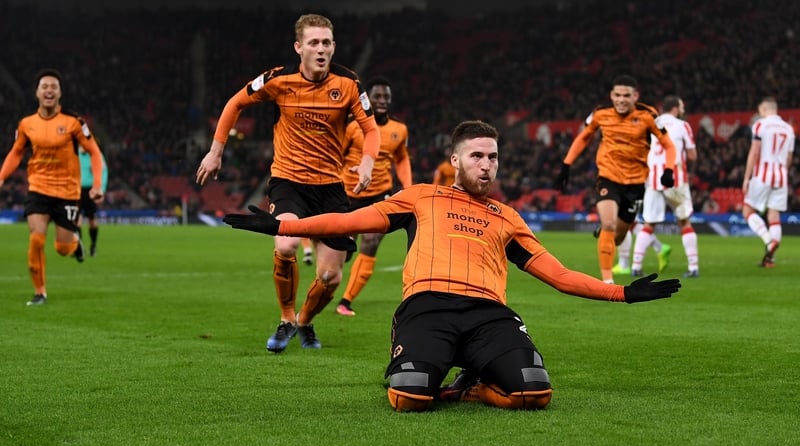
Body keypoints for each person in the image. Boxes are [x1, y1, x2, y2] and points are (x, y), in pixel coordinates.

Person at [222, 120, 681, 412]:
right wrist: (287, 225)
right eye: (477, 156)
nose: (487, 165)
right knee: (407, 397)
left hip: (488, 314)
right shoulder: (420, 197)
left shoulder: (508, 217)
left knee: (534, 392)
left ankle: (474, 386)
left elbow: (558, 275)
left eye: (493, 157)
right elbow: (348, 219)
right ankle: (440, 368)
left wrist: (622, 293)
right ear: (456, 160)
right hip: (428, 308)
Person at [195, 13, 379, 352]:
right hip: (288, 182)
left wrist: (367, 162)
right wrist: (215, 151)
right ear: (299, 48)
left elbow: (370, 130)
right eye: (313, 43)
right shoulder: (278, 80)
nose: (321, 49)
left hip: (330, 189)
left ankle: (305, 321)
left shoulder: (349, 83)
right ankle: (285, 318)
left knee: (330, 278)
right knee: (285, 246)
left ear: (333, 46)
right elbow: (235, 102)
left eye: (326, 43)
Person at [555, 75, 677, 284]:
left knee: (618, 237)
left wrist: (668, 170)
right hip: (608, 177)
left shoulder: (648, 115)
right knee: (609, 224)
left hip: (636, 183)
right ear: (611, 95)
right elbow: (584, 136)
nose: (621, 100)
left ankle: (605, 231)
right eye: (617, 95)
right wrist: (567, 164)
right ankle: (607, 281)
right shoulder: (600, 113)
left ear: (635, 96)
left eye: (626, 96)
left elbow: (669, 145)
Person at [0, 69, 105, 306]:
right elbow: (16, 152)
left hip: (67, 191)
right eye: (44, 86)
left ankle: (75, 243)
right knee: (36, 239)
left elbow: (94, 152)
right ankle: (40, 292)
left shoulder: (74, 122)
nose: (49, 90)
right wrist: (1, 176)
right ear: (37, 92)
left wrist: (97, 184)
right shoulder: (27, 124)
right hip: (38, 188)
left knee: (62, 248)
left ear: (59, 93)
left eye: (53, 87)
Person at [336, 76, 412, 316]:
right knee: (344, 249)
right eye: (377, 96)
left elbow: (401, 158)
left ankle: (345, 301)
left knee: (370, 242)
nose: (382, 101)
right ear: (367, 99)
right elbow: (337, 154)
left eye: (386, 97)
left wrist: (407, 186)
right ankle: (344, 252)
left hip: (380, 194)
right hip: (348, 194)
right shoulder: (352, 125)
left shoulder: (399, 129)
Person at [631, 95, 699, 278]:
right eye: (682, 106)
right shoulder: (682, 125)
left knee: (649, 224)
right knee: (684, 222)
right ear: (676, 108)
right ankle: (693, 267)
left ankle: (636, 266)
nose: (683, 110)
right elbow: (692, 155)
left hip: (653, 178)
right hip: (675, 178)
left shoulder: (651, 123)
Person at [742, 97, 795, 268]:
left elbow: (754, 152)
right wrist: (782, 173)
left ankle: (769, 241)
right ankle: (770, 259)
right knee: (774, 215)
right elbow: (789, 157)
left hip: (762, 174)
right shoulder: (789, 129)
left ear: (764, 110)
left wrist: (746, 177)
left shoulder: (760, 125)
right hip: (781, 175)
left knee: (747, 210)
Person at [77, 146, 108, 256]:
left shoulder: (96, 154)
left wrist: (101, 189)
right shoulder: (74, 153)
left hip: (92, 189)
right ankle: (79, 247)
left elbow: (104, 172)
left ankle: (93, 245)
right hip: (77, 189)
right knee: (77, 218)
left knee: (92, 219)